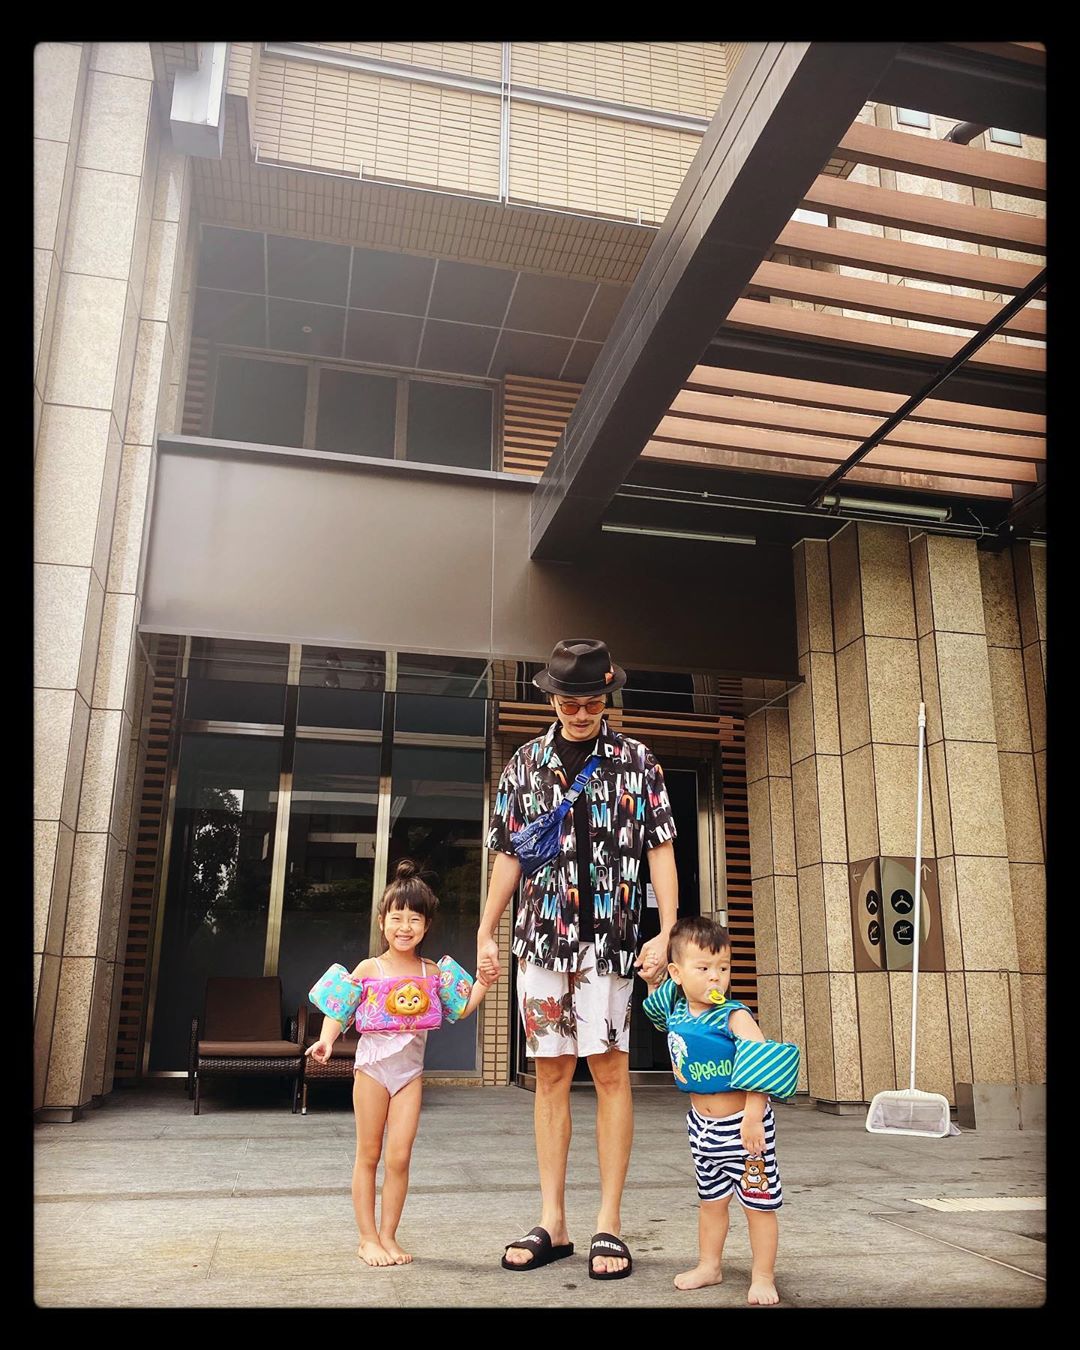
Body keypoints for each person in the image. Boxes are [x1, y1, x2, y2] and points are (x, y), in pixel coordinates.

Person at [478, 638, 679, 1279]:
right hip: (541, 941)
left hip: (610, 944)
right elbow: (508, 855)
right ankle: (554, 1222)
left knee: (611, 1073)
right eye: (571, 703)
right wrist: (485, 929)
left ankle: (609, 1223)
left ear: (607, 696)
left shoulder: (637, 761)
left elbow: (660, 849)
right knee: (552, 1075)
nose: (582, 712)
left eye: (592, 702)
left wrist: (667, 931)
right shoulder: (525, 764)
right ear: (552, 699)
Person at [308, 859, 490, 1267]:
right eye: (396, 918)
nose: (404, 927)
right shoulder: (369, 968)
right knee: (369, 1154)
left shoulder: (433, 971)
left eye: (414, 919)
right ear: (382, 922)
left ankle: (389, 1235)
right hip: (372, 1070)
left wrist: (482, 983)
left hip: (410, 1075)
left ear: (426, 926)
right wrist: (325, 1040)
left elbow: (460, 1009)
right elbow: (339, 1009)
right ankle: (367, 1238)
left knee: (400, 1157)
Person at [641, 915, 781, 1305]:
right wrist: (652, 978)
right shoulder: (678, 1012)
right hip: (702, 1128)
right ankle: (709, 1265)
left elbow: (763, 1065)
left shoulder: (734, 1015)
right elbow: (656, 1008)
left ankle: (763, 1275)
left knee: (758, 1205)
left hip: (743, 1129)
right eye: (703, 969)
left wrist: (753, 1116)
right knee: (711, 1202)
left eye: (723, 968)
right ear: (677, 974)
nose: (715, 977)